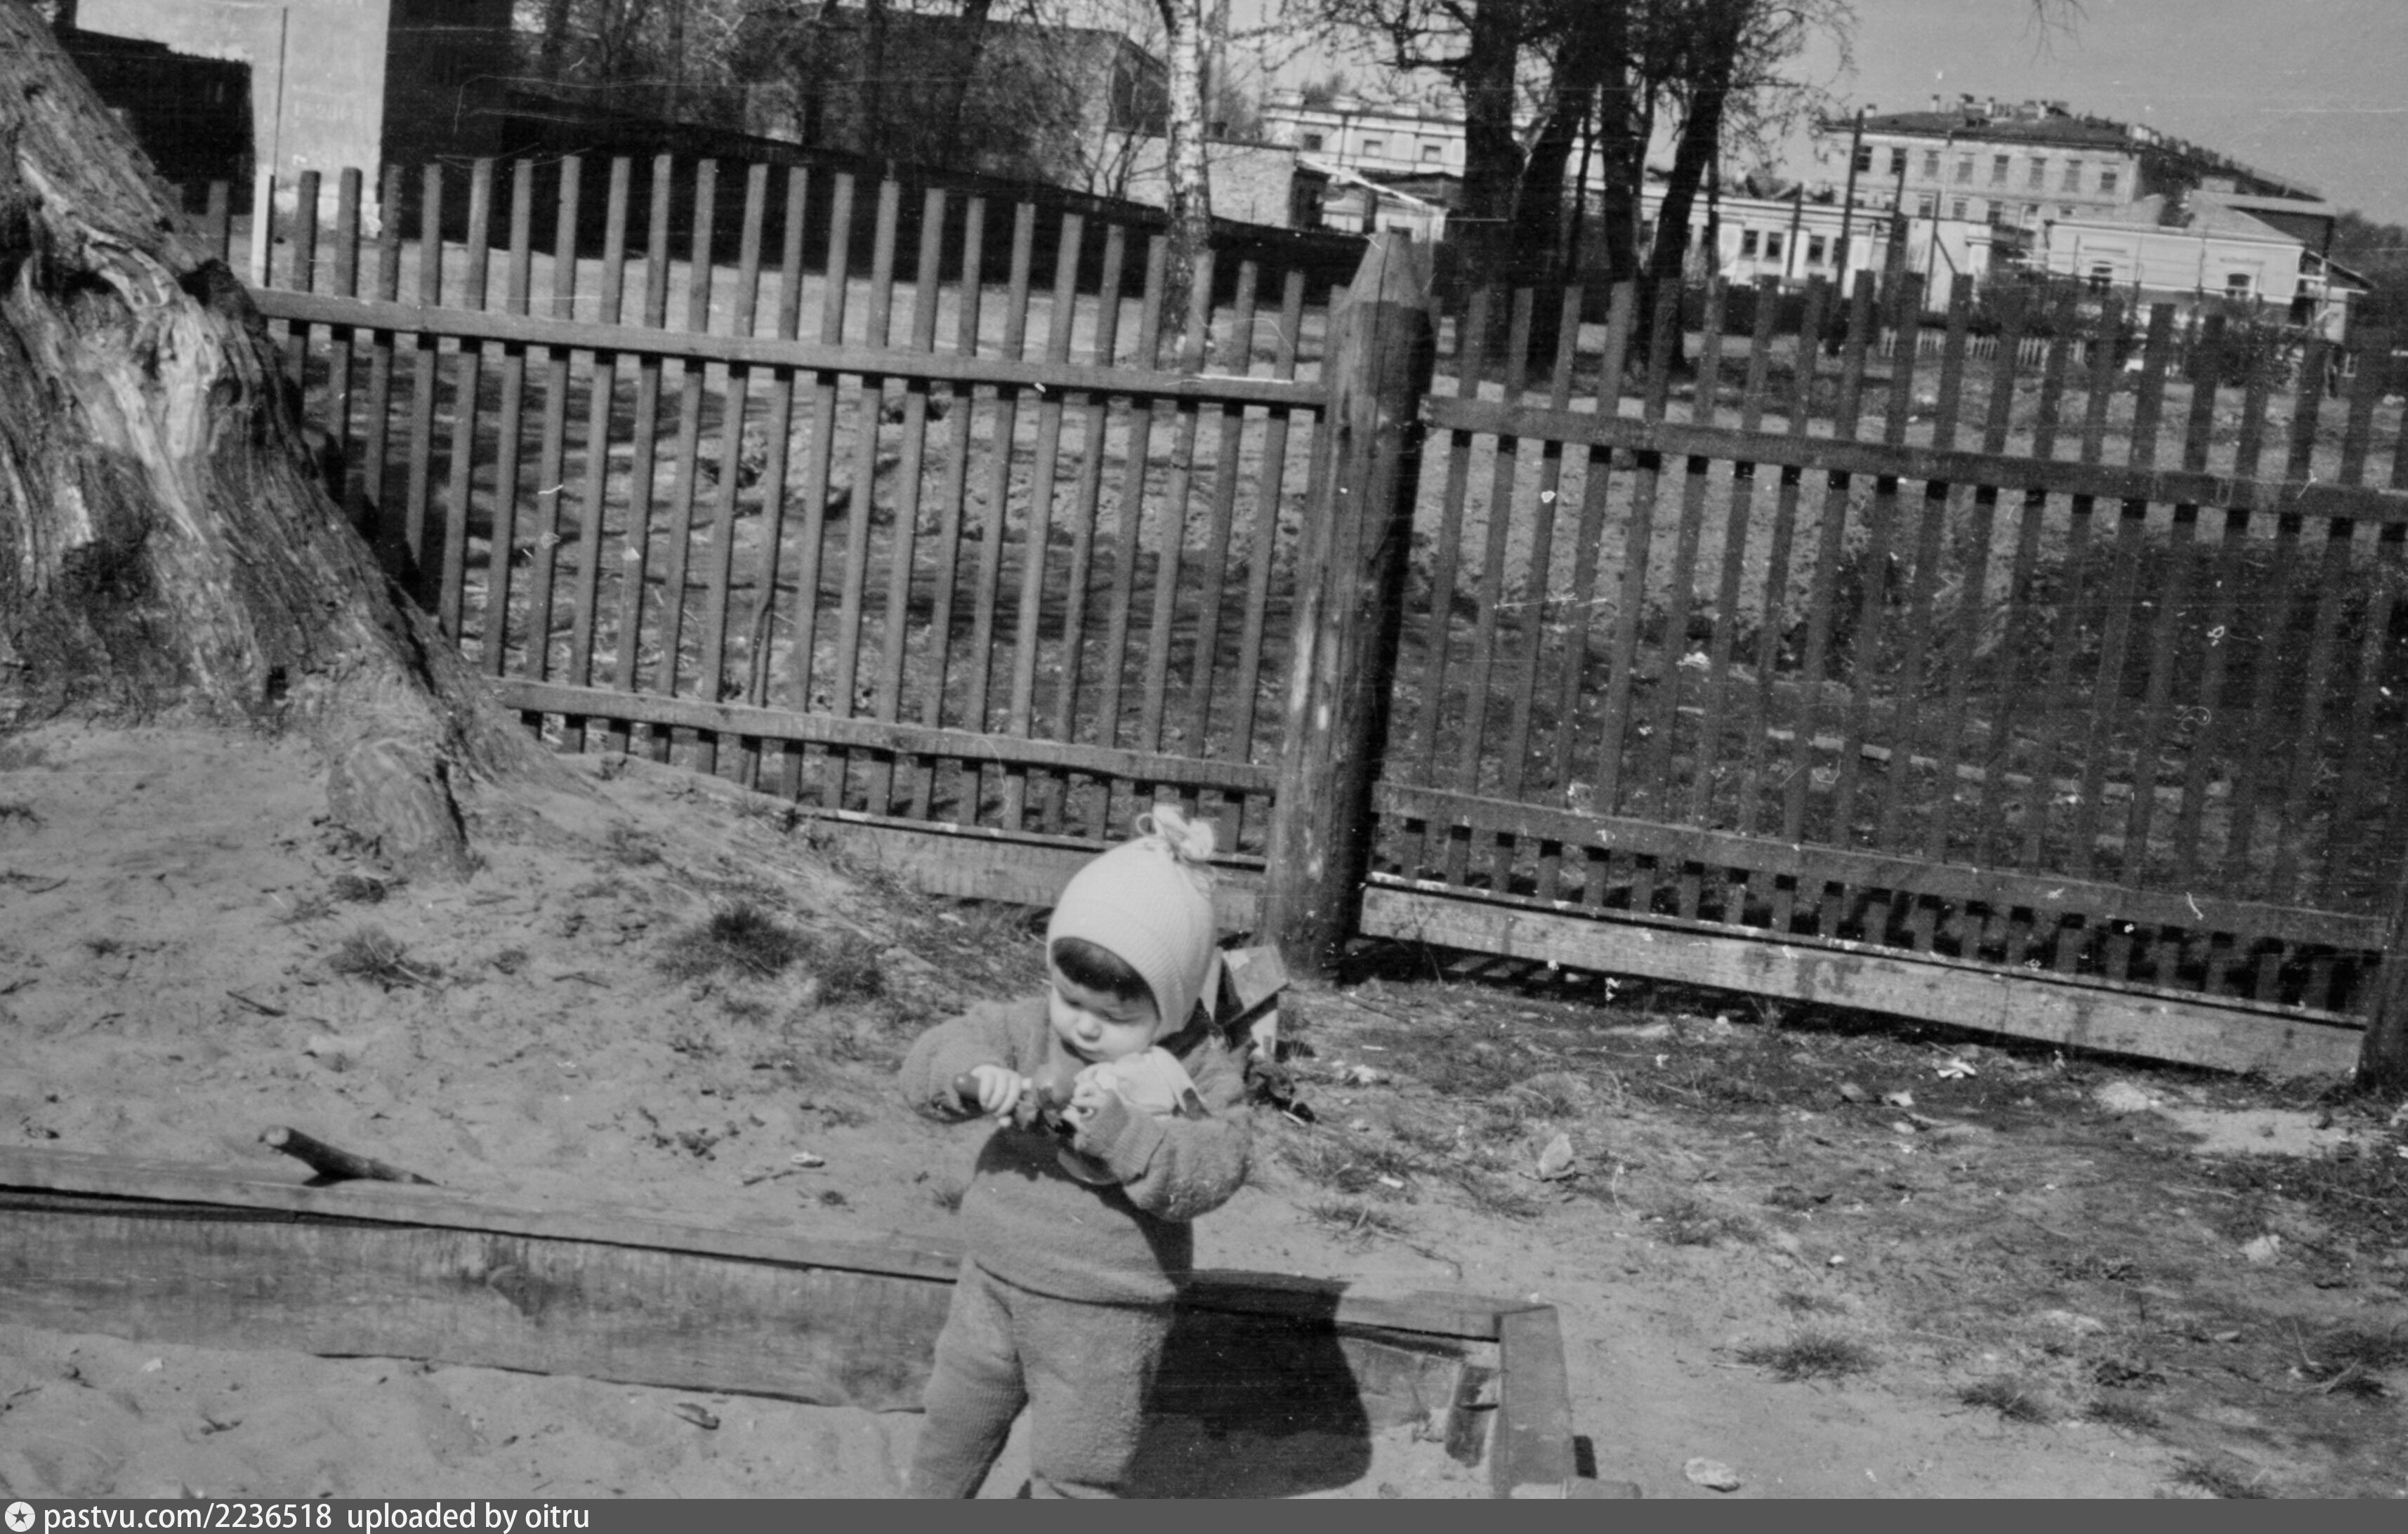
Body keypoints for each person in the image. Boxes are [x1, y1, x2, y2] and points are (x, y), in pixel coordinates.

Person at [898, 805, 1251, 1498]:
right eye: (1070, 998)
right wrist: (972, 1077)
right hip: (994, 1272)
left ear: (1174, 1005)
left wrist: (1123, 1133)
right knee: (953, 1425)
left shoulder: (1192, 1072)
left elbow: (1215, 1165)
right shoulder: (1031, 1028)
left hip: (1105, 1306)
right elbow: (931, 1059)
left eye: (1116, 1017)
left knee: (1078, 1464)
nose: (1084, 1027)